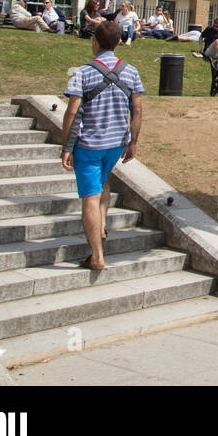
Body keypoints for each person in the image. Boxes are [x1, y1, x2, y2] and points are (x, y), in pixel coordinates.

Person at [60, 20, 144, 271]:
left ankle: (96, 256)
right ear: (119, 42)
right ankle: (102, 224)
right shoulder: (131, 71)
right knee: (103, 180)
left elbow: (72, 112)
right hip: (116, 143)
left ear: (94, 42)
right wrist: (133, 141)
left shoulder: (83, 72)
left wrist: (66, 146)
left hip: (89, 145)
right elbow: (137, 110)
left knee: (90, 198)